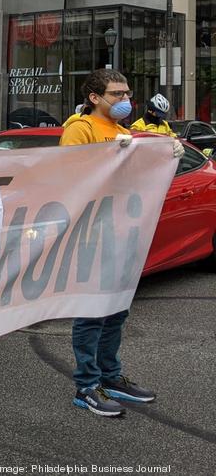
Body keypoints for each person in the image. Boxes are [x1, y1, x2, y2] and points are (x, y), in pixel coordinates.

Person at [60, 69, 183, 417]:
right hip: (91, 230)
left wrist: (165, 155)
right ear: (95, 98)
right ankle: (87, 386)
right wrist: (111, 157)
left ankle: (110, 376)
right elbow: (68, 176)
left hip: (120, 228)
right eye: (116, 94)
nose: (125, 100)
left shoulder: (121, 130)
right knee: (92, 312)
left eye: (127, 93)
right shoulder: (80, 128)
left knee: (116, 308)